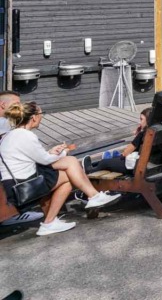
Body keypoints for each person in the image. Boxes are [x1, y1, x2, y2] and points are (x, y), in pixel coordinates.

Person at [0, 102, 121, 236]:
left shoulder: (11, 135)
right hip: (25, 187)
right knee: (69, 170)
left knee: (69, 166)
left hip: (15, 184)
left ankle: (90, 199)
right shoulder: (26, 136)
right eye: (41, 114)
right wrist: (63, 152)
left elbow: (35, 158)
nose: (42, 117)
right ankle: (91, 197)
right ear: (34, 117)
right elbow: (44, 160)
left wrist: (53, 152)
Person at [0, 91, 45, 227]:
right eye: (16, 104)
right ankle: (19, 211)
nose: (19, 107)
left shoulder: (7, 122)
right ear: (2, 105)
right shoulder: (4, 123)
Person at [85, 108, 153, 175]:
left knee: (104, 162)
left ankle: (90, 170)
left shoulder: (143, 134)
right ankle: (106, 161)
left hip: (134, 167)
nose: (140, 122)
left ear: (148, 121)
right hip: (148, 165)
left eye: (141, 119)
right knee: (115, 159)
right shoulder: (156, 133)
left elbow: (126, 153)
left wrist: (137, 135)